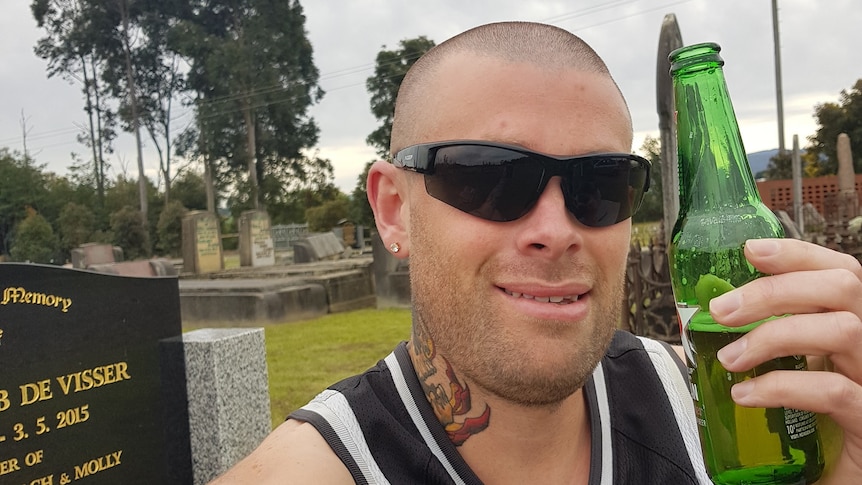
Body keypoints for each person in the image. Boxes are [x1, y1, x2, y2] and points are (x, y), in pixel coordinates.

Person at [211, 21, 862, 484]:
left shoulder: (716, 411)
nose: (556, 229)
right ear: (391, 209)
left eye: (601, 184)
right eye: (488, 177)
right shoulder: (320, 468)